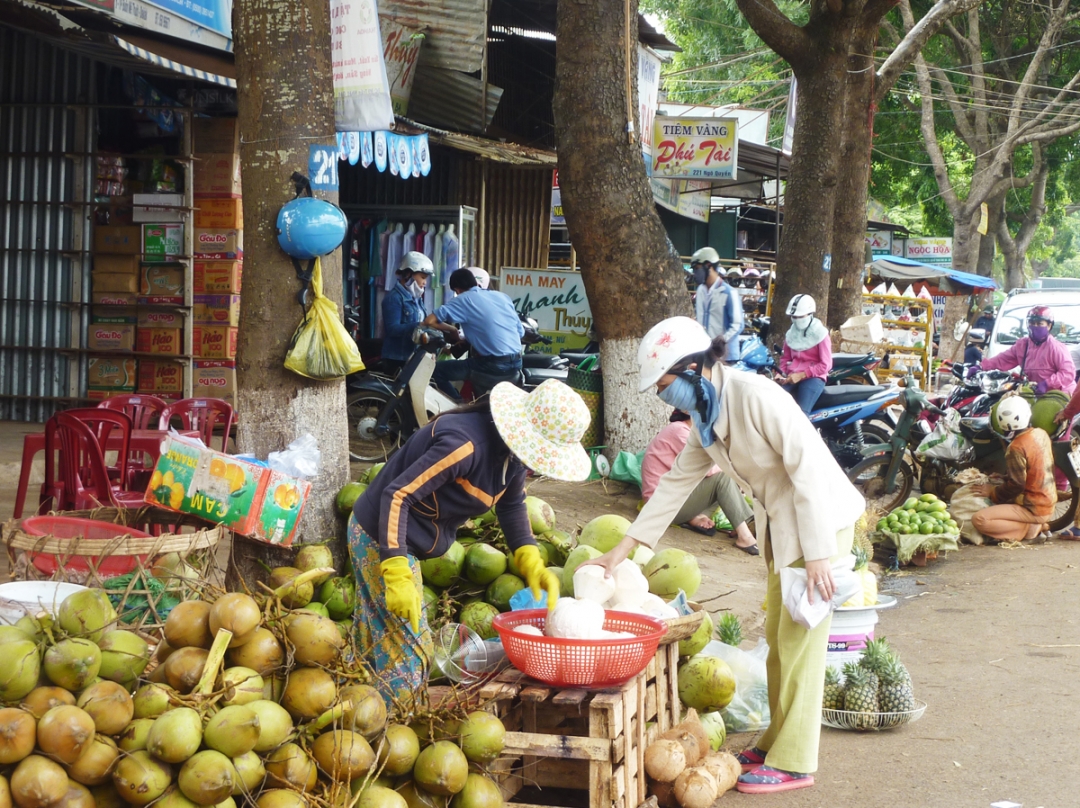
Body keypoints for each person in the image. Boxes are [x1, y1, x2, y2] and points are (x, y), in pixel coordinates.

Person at [585, 316, 865, 795]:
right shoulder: (707, 419)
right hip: (785, 530)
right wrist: (623, 549)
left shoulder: (755, 395)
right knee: (780, 639)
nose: (663, 397)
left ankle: (796, 762)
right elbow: (674, 485)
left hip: (819, 525)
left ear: (694, 368)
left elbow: (810, 468)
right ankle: (776, 739)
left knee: (801, 646)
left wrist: (819, 553)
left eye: (665, 385)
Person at [349, 379, 592, 705]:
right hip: (379, 538)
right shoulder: (463, 445)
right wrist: (394, 567)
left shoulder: (513, 457)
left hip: (405, 542)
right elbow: (397, 495)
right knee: (411, 651)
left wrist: (529, 555)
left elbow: (512, 504)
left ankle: (359, 705)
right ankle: (395, 724)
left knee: (381, 633)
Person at [642, 411, 758, 554]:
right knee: (723, 479)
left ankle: (699, 516)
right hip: (661, 507)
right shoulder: (679, 431)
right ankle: (745, 536)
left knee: (725, 481)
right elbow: (707, 468)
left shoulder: (689, 432)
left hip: (675, 499)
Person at [424, 268, 525, 400]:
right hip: (517, 363)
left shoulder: (463, 299)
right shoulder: (502, 296)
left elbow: (429, 321)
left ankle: (458, 407)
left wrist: (452, 330)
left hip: (492, 365)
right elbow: (520, 333)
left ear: (457, 290)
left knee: (434, 371)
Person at [971, 396, 1055, 542]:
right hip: (1048, 502)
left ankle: (1031, 529)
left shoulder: (1016, 447)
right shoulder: (1041, 433)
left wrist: (992, 492)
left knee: (979, 519)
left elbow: (1017, 485)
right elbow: (1033, 471)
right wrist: (1004, 478)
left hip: (1034, 508)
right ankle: (1036, 525)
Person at [977, 306, 1075, 396]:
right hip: (1036, 394)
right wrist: (981, 366)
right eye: (1032, 323)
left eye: (1040, 324)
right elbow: (1002, 359)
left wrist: (1047, 383)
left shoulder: (1056, 347)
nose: (1035, 326)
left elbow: (1068, 373)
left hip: (1060, 395)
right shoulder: (1022, 345)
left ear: (1049, 326)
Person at [777, 294, 831, 415]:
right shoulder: (791, 333)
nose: (796, 320)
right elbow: (785, 358)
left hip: (814, 378)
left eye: (800, 316)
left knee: (801, 415)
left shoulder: (821, 334)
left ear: (810, 314)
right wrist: (780, 374)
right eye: (794, 317)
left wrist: (802, 375)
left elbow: (825, 365)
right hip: (792, 376)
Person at [381, 251, 433, 374]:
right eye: (423, 277)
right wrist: (419, 325)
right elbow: (392, 329)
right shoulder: (394, 298)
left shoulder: (417, 299)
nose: (425, 283)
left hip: (413, 357)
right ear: (409, 274)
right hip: (397, 358)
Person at [689, 247, 742, 362]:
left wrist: (723, 339)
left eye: (697, 268)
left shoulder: (729, 293)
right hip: (705, 353)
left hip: (726, 356)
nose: (695, 273)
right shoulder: (700, 291)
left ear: (708, 265)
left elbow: (738, 324)